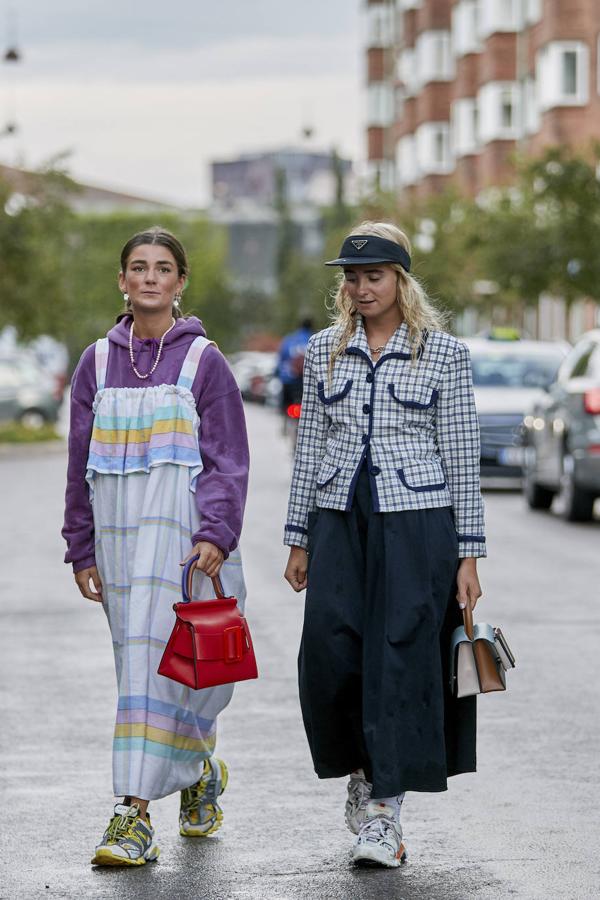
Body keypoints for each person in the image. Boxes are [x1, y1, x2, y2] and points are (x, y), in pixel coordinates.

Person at [283, 221, 485, 868]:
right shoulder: (323, 351)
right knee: (331, 653)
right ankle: (363, 771)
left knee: (399, 659)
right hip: (340, 517)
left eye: (374, 276)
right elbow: (309, 446)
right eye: (352, 277)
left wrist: (468, 554)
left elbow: (461, 455)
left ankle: (385, 814)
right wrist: (298, 538)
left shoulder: (444, 354)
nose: (361, 288)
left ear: (401, 280)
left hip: (416, 522)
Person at [62, 226, 249, 866]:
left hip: (182, 543)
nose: (149, 277)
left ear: (179, 282)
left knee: (170, 669)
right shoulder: (95, 362)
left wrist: (216, 534)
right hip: (117, 541)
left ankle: (131, 815)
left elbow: (228, 459)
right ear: (122, 280)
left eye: (162, 267)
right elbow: (78, 463)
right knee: (138, 671)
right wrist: (80, 547)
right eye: (137, 267)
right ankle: (198, 773)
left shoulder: (206, 362)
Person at [276, 317, 314, 413]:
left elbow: (281, 359)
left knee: (285, 406)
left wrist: (276, 373)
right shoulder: (314, 340)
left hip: (288, 379)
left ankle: (284, 419)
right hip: (305, 382)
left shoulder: (289, 339)